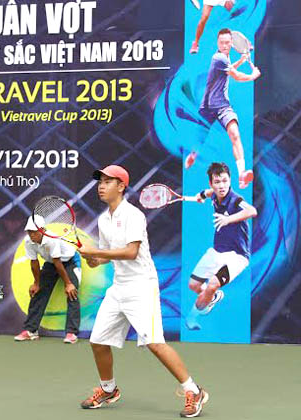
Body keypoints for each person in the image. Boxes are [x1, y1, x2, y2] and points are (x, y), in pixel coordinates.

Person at [78, 165, 209, 418]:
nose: (101, 186)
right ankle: (109, 389)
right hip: (118, 288)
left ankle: (194, 391)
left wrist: (95, 252)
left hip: (142, 286)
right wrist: (95, 260)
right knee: (98, 341)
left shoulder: (134, 215)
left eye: (107, 181)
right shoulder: (103, 220)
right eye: (100, 182)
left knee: (155, 344)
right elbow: (106, 255)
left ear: (121, 186)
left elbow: (131, 252)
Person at [185, 27, 261, 190]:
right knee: (200, 141)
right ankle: (193, 154)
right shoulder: (218, 57)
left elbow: (228, 71)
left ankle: (242, 174)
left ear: (231, 43)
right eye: (222, 43)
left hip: (223, 106)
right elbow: (236, 76)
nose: (225, 45)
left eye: (227, 43)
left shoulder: (225, 59)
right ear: (217, 43)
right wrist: (252, 76)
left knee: (235, 134)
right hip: (208, 107)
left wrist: (241, 61)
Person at [185, 162, 257, 330]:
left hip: (237, 256)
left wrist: (228, 219)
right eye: (217, 182)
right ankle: (212, 297)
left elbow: (252, 211)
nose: (222, 186)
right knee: (193, 285)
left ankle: (192, 317)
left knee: (212, 284)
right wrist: (201, 195)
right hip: (217, 251)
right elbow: (209, 192)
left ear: (230, 181)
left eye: (225, 181)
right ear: (211, 183)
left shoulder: (235, 200)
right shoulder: (215, 194)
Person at [14, 215, 81, 344]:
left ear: (43, 230)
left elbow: (58, 263)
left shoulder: (51, 240)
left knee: (72, 293)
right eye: (29, 231)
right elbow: (34, 262)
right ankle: (31, 330)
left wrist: (68, 283)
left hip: (70, 261)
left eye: (34, 232)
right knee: (38, 292)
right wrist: (36, 283)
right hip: (51, 263)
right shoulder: (28, 241)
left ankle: (71, 333)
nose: (31, 235)